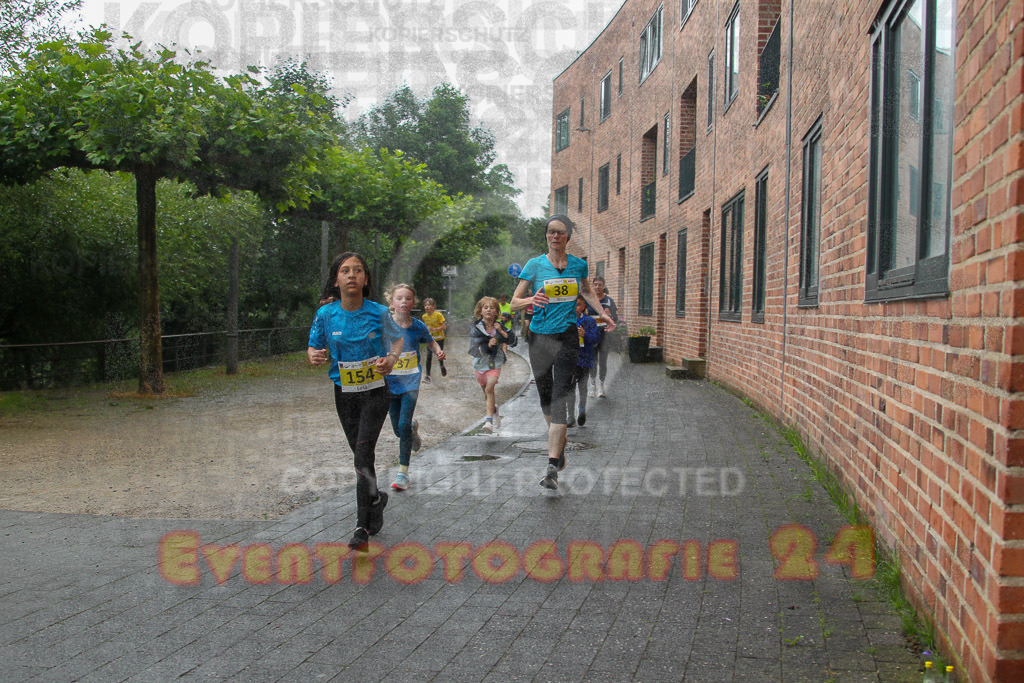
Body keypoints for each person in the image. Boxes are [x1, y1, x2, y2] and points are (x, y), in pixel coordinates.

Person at [308, 252, 405, 552]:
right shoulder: (326, 315)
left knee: (363, 456)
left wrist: (390, 359)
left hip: (376, 392)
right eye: (345, 271)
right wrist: (313, 355)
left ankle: (361, 527)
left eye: (358, 271)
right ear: (336, 280)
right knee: (360, 456)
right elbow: (313, 346)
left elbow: (397, 340)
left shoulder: (378, 312)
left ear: (365, 279)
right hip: (344, 394)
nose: (352, 275)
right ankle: (375, 499)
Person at [511, 214, 610, 490]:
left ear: (568, 237)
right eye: (551, 232)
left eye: (561, 232)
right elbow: (513, 303)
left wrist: (604, 315)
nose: (555, 236)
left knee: (559, 397)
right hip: (540, 337)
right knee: (545, 395)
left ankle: (551, 466)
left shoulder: (578, 265)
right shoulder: (534, 265)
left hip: (567, 336)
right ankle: (560, 446)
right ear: (546, 235)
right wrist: (532, 298)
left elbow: (588, 293)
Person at [385, 284, 446, 491]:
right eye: (399, 298)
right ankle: (412, 429)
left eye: (408, 299)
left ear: (413, 303)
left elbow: (431, 342)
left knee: (401, 425)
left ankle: (403, 473)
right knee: (398, 429)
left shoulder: (418, 326)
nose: (404, 302)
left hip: (411, 380)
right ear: (391, 302)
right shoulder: (384, 325)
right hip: (390, 382)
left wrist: (438, 351)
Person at [469, 296, 511, 434]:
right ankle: (494, 409)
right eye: (485, 307)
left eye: (492, 308)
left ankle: (488, 422)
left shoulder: (499, 326)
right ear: (480, 311)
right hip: (480, 364)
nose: (488, 310)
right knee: (486, 393)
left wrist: (501, 331)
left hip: (495, 363)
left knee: (489, 389)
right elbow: (474, 347)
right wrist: (487, 345)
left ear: (496, 312)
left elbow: (512, 340)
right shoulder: (475, 328)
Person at [568, 296, 601, 428]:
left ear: (584, 307)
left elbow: (597, 338)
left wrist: (585, 335)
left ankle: (581, 410)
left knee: (582, 388)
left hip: (584, 359)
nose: (575, 307)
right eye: (573, 305)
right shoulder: (566, 321)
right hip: (570, 359)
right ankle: (570, 416)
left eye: (578, 305)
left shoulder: (588, 321)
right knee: (570, 388)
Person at [586, 275, 619, 398]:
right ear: (592, 285)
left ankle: (601, 386)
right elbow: (582, 315)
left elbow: (615, 319)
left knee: (603, 361)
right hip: (592, 334)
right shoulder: (588, 300)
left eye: (600, 284)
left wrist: (611, 316)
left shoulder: (609, 301)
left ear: (603, 286)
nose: (597, 287)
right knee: (592, 360)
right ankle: (592, 385)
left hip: (605, 334)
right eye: (595, 284)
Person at [420, 297, 447, 381]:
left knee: (439, 355)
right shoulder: (424, 316)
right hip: (430, 339)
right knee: (429, 356)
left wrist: (434, 329)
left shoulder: (438, 315)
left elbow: (444, 326)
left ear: (433, 306)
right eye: (425, 305)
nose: (427, 307)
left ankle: (442, 366)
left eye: (429, 305)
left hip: (439, 338)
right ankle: (428, 376)